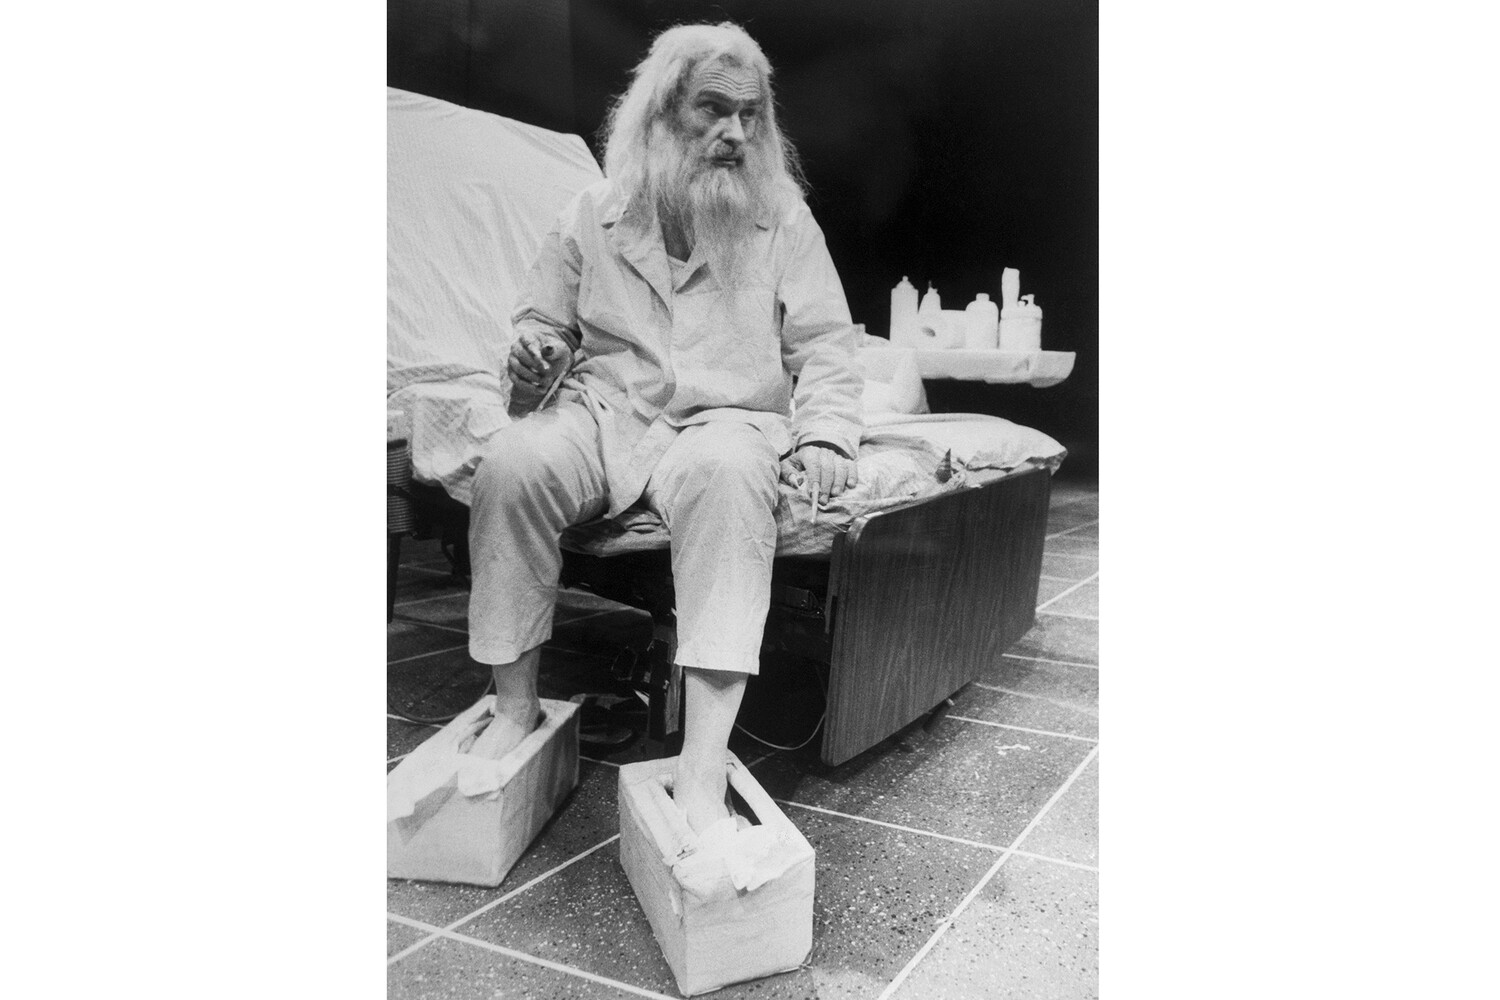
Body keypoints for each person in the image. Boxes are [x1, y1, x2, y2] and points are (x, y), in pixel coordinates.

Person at [466, 21, 862, 834]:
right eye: (713, 109)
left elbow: (826, 343)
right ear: (661, 114)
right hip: (607, 410)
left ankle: (703, 760)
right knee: (511, 462)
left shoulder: (784, 220)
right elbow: (541, 321)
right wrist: (537, 355)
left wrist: (825, 433)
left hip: (723, 420)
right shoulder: (592, 213)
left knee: (729, 478)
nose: (735, 133)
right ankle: (513, 707)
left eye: (750, 115)